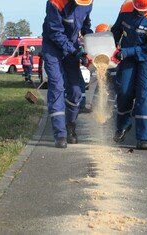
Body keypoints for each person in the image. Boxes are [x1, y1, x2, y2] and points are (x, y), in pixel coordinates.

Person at [111, 0, 147, 150]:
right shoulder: (126, 8)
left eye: (143, 10)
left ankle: (143, 138)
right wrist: (111, 46)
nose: (140, 12)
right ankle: (122, 126)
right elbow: (116, 30)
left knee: (144, 94)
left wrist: (127, 52)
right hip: (127, 57)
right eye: (138, 9)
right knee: (124, 91)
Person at [42, 0, 93, 148]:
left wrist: (91, 45)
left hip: (72, 46)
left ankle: (70, 124)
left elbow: (85, 26)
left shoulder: (88, 2)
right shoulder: (55, 3)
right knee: (57, 87)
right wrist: (74, 51)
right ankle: (60, 134)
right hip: (53, 47)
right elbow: (54, 32)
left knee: (76, 91)